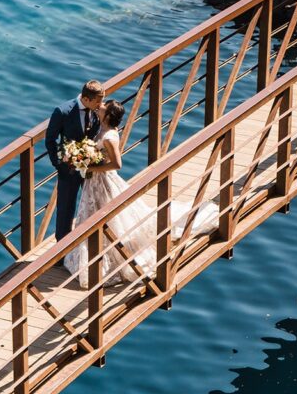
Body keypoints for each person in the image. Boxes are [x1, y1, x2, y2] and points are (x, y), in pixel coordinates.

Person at [64, 99, 219, 287]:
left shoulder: (110, 137)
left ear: (108, 115)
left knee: (108, 218)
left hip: (103, 180)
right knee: (93, 215)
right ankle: (90, 258)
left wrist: (92, 168)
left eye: (104, 106)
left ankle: (109, 260)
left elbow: (117, 164)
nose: (101, 105)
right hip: (94, 182)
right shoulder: (101, 128)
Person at [46, 80, 104, 243]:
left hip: (91, 167)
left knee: (93, 204)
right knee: (65, 209)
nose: (101, 104)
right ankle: (61, 251)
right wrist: (59, 164)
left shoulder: (96, 110)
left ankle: (91, 244)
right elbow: (50, 140)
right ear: (86, 99)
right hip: (69, 168)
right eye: (98, 101)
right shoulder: (63, 111)